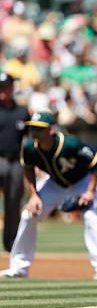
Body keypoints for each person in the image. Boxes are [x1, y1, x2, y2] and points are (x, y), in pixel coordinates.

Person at [0, 111, 97, 280]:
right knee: (28, 215)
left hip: (82, 183)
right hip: (55, 184)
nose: (35, 132)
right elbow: (28, 168)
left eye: (39, 129)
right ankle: (19, 267)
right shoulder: (29, 148)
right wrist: (34, 195)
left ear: (51, 129)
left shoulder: (70, 143)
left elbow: (96, 161)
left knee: (91, 217)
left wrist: (90, 191)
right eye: (32, 128)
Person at [0, 72, 29, 252]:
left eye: (5, 87)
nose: (2, 91)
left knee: (13, 203)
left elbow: (30, 139)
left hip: (15, 161)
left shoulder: (22, 112)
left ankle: (11, 245)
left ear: (12, 88)